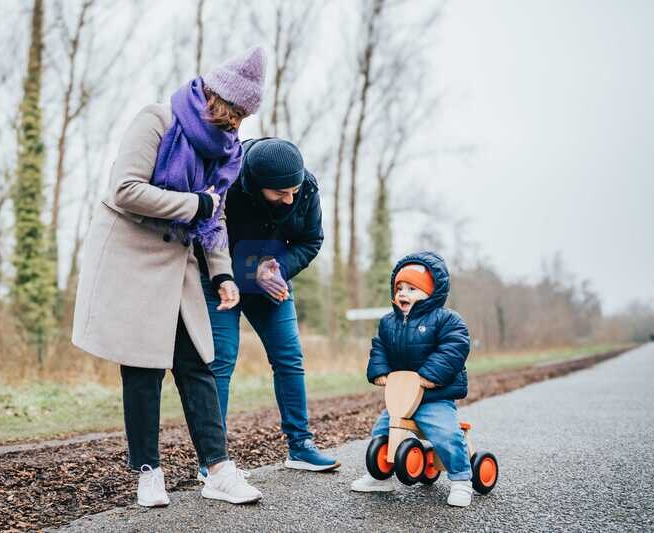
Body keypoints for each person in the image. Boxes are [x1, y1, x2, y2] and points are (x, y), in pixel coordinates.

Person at [72, 46, 267, 507]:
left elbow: (214, 215)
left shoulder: (227, 151)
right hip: (131, 253)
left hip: (179, 261)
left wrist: (222, 274)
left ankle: (218, 471)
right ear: (216, 97)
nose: (238, 123)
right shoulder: (157, 120)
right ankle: (148, 473)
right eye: (235, 111)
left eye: (246, 116)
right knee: (141, 368)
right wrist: (193, 204)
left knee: (197, 363)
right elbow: (125, 189)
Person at [197, 138, 340, 479]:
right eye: (280, 193)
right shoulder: (224, 179)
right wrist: (250, 270)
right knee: (221, 361)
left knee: (289, 357)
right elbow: (206, 237)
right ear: (255, 184)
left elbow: (311, 240)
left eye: (294, 188)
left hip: (272, 278)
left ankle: (301, 446)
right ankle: (212, 461)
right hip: (221, 279)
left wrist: (278, 268)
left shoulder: (305, 189)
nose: (290, 198)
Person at [350, 251, 474, 508]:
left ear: (431, 292)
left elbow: (453, 349)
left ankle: (462, 479)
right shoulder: (388, 323)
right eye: (399, 288)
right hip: (401, 396)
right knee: (382, 430)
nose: (403, 293)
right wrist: (380, 371)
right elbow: (380, 347)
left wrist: (429, 376)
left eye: (412, 288)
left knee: (445, 433)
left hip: (433, 396)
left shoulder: (447, 320)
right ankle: (381, 476)